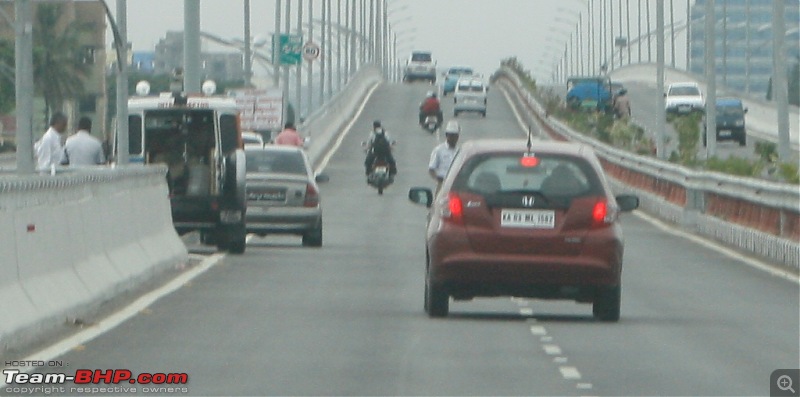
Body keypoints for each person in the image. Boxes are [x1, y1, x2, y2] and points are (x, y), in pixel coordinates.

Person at [428, 120, 461, 192]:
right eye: (451, 135)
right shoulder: (439, 150)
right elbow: (431, 169)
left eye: (455, 136)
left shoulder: (460, 151)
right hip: (442, 184)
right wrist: (438, 179)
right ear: (446, 135)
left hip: (457, 185)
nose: (453, 138)